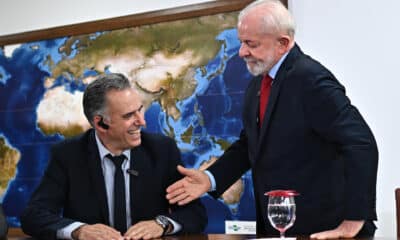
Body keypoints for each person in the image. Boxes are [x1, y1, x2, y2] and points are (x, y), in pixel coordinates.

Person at [166, 0, 378, 239]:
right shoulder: (259, 83)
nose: (242, 52)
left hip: (324, 230)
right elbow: (250, 145)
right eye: (242, 42)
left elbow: (361, 144)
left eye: (251, 44)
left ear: (283, 43)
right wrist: (210, 178)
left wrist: (355, 220)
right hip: (280, 229)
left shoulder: (311, 80)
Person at [20, 73, 207, 240]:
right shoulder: (68, 155)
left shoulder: (162, 150)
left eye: (139, 110)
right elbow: (34, 216)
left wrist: (161, 224)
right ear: (101, 124)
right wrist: (79, 230)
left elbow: (195, 214)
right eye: (128, 116)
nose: (141, 122)